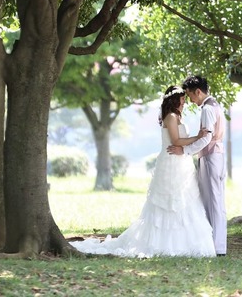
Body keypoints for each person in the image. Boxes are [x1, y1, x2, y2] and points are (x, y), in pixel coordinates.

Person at [69, 86, 217, 258]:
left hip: (181, 163)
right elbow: (176, 140)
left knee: (185, 200)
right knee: (168, 202)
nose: (184, 102)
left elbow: (180, 141)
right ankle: (163, 244)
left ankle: (185, 243)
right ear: (174, 100)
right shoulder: (170, 116)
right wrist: (198, 137)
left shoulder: (177, 116)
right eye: (182, 99)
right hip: (171, 163)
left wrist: (193, 142)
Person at [166, 74, 227, 256]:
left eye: (190, 95)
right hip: (216, 155)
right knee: (215, 200)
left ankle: (217, 246)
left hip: (210, 156)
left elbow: (206, 137)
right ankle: (216, 244)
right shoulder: (215, 105)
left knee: (213, 201)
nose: (190, 101)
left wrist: (185, 151)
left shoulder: (207, 109)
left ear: (198, 92)